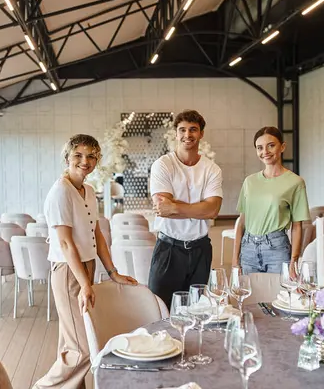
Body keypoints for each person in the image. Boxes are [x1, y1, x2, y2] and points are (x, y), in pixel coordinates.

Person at [33, 134, 137, 389]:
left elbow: (97, 233)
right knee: (83, 347)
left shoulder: (88, 190)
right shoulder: (60, 192)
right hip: (69, 271)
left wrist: (112, 272)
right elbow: (66, 244)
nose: (85, 161)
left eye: (91, 156)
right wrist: (85, 285)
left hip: (86, 267)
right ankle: (43, 387)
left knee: (71, 342)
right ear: (67, 158)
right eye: (78, 155)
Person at [148, 110, 223, 309]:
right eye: (182, 130)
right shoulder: (163, 165)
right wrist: (200, 209)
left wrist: (175, 207)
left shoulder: (212, 169)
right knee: (160, 309)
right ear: (176, 133)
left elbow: (213, 210)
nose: (187, 135)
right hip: (168, 249)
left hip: (201, 249)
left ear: (201, 134)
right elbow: (163, 207)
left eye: (193, 130)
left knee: (196, 310)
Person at [232, 126, 310, 278]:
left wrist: (294, 262)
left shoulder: (295, 182)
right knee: (249, 298)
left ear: (282, 146)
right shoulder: (250, 181)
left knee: (278, 298)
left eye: (271, 145)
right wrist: (235, 260)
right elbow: (242, 222)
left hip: (277, 249)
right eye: (259, 148)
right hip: (248, 248)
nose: (265, 152)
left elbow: (297, 226)